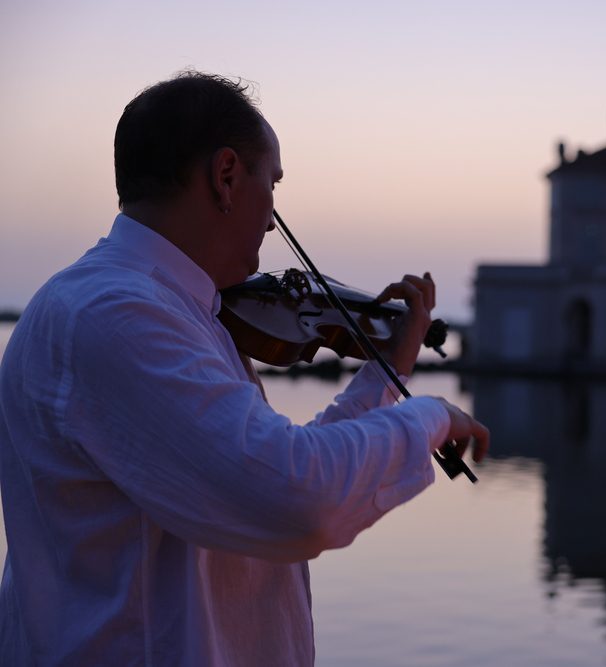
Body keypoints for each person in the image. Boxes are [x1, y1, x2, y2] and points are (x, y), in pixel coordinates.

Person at [0, 71, 488, 665]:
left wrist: (388, 374)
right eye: (272, 184)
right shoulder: (115, 315)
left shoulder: (180, 310)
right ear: (226, 176)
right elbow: (293, 495)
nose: (272, 216)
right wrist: (429, 419)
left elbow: (268, 461)